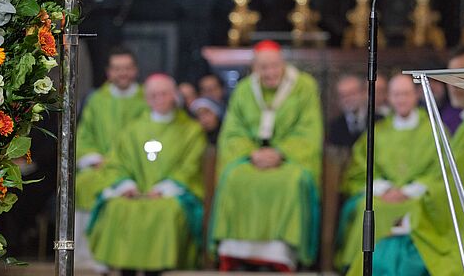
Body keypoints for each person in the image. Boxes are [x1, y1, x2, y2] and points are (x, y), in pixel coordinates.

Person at [365, 45, 464, 276]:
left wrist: (414, 217)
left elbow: (453, 189)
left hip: (454, 233)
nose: (454, 86)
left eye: (463, 76)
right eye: (450, 76)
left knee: (383, 257)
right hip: (434, 212)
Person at [210, 40, 323, 271]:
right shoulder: (244, 90)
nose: (270, 72)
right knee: (234, 177)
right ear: (254, 68)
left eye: (274, 66)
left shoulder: (304, 86)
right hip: (251, 156)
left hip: (289, 158)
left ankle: (282, 255)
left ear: (283, 64)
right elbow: (233, 131)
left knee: (291, 181)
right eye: (263, 68)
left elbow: (309, 129)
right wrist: (252, 153)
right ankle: (235, 253)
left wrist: (280, 153)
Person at [88, 73, 207, 275]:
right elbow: (117, 162)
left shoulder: (191, 130)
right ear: (146, 98)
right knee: (117, 207)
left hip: (172, 194)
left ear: (174, 96)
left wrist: (163, 189)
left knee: (167, 211)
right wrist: (127, 185)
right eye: (153, 95)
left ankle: (158, 270)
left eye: (163, 93)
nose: (158, 99)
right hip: (134, 193)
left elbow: (190, 167)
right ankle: (126, 268)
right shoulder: (132, 130)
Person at [335, 73, 438, 272]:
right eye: (396, 94)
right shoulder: (377, 131)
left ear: (416, 95)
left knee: (421, 211)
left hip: (419, 197)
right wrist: (384, 188)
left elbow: (441, 173)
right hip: (382, 196)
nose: (401, 99)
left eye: (406, 94)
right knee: (367, 211)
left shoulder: (434, 130)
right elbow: (359, 168)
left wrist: (409, 191)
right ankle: (364, 269)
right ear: (389, 98)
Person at [74, 46, 150, 272]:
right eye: (117, 69)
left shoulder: (146, 98)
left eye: (126, 68)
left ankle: (131, 256)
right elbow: (85, 135)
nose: (122, 73)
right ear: (109, 72)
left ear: (135, 70)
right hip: (102, 165)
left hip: (136, 167)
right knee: (84, 183)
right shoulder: (97, 100)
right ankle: (91, 255)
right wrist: (94, 158)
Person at [327, 73, 372, 148]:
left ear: (363, 93)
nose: (348, 99)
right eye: (343, 96)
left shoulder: (379, 121)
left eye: (352, 93)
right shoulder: (334, 126)